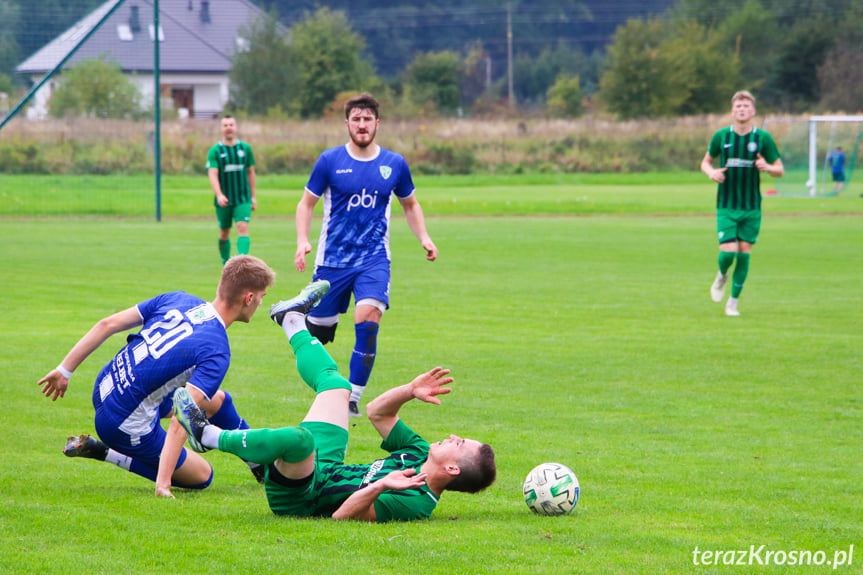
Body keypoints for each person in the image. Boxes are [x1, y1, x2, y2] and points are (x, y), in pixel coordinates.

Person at [169, 280, 496, 520]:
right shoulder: (419, 452)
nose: (453, 436)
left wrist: (381, 486)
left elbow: (342, 517)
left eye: (461, 441)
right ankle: (292, 319)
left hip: (302, 496)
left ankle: (205, 435)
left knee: (300, 441)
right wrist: (409, 391)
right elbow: (376, 413)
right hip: (326, 468)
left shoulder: (416, 503)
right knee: (337, 387)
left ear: (452, 468)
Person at [37, 255, 276, 495]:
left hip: (107, 386)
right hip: (124, 422)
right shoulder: (217, 351)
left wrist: (64, 370)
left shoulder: (180, 298)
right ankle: (103, 451)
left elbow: (107, 324)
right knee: (203, 475)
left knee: (219, 403)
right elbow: (182, 417)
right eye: (262, 297)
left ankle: (256, 461)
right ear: (249, 298)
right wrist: (163, 484)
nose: (260, 304)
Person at [295, 93, 438, 417]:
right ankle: (307, 326)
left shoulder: (394, 164)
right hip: (332, 260)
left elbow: (410, 204)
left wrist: (425, 238)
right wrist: (302, 240)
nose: (362, 125)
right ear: (347, 124)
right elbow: (306, 204)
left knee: (369, 315)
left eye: (367, 119)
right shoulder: (329, 161)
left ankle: (353, 397)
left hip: (373, 259)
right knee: (317, 330)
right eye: (356, 119)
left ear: (377, 123)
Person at [700, 90, 784, 317]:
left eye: (746, 106)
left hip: (751, 207)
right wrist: (711, 172)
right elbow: (706, 162)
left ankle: (733, 303)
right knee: (728, 252)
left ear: (753, 111)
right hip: (727, 204)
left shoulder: (762, 138)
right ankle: (721, 276)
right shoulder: (721, 136)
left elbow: (780, 169)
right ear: (732, 111)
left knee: (744, 252)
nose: (742, 110)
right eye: (738, 106)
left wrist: (768, 168)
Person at [207, 115, 257, 265]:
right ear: (222, 129)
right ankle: (225, 264)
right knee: (224, 232)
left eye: (231, 124)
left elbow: (251, 172)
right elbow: (212, 174)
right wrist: (219, 194)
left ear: (236, 128)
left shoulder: (245, 149)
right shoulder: (215, 151)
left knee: (242, 227)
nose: (228, 127)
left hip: (242, 198)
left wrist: (253, 196)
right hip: (224, 199)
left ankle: (242, 265)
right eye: (225, 125)